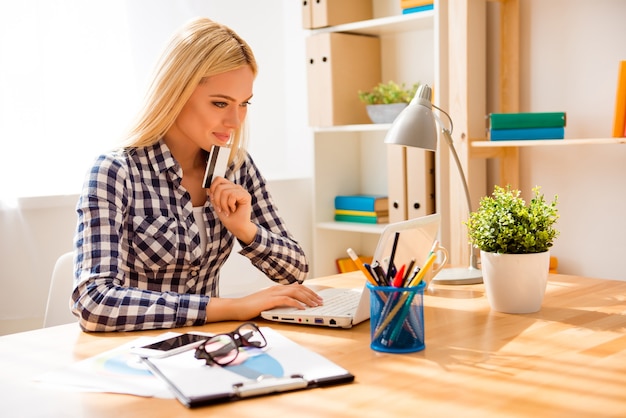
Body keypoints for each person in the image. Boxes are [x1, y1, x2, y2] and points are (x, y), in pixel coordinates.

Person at [71, 17, 321, 332]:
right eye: (220, 103)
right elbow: (93, 302)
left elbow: (295, 270)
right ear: (175, 93)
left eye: (244, 104)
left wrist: (246, 230)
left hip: (208, 350)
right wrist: (233, 307)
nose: (235, 120)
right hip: (134, 352)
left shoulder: (236, 167)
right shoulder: (115, 171)